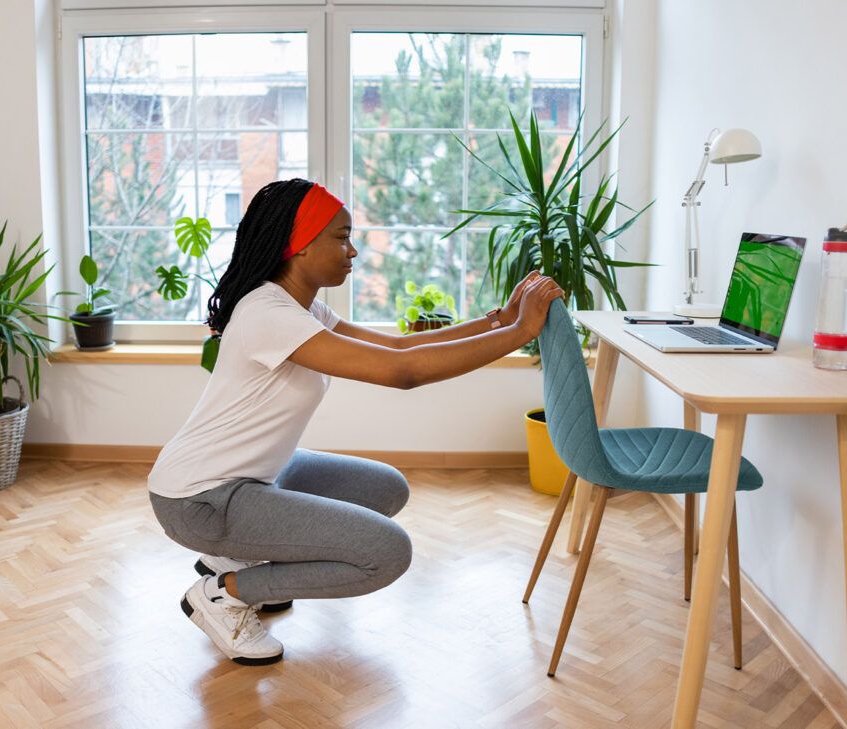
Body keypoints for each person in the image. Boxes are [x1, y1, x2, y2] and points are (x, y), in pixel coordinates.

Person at [148, 178, 565, 665]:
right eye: (341, 237)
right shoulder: (267, 312)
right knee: (386, 553)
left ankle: (237, 555)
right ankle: (227, 591)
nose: (353, 251)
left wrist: (498, 322)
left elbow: (399, 347)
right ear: (298, 245)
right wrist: (521, 333)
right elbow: (402, 373)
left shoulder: (301, 306)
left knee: (384, 488)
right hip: (200, 498)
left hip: (255, 475)